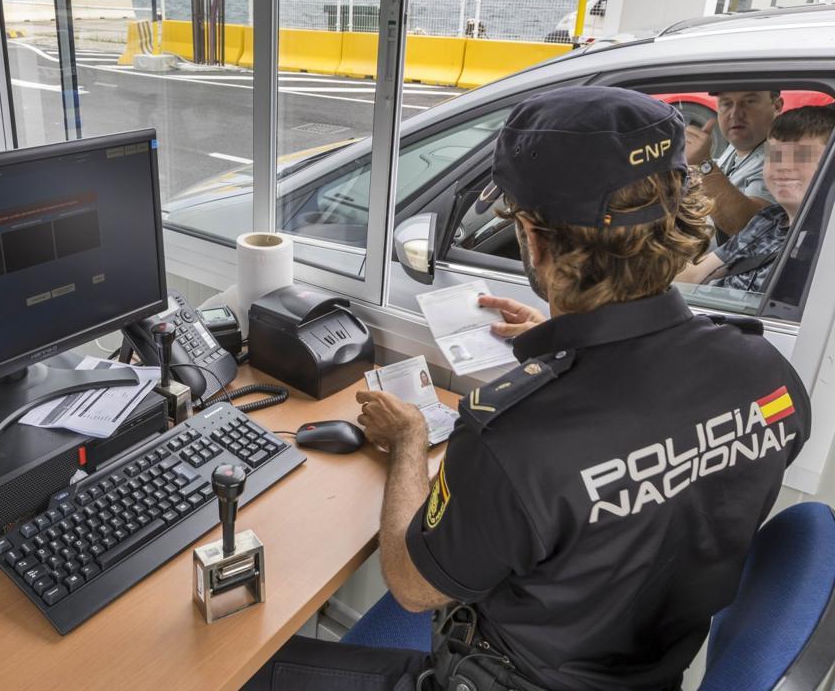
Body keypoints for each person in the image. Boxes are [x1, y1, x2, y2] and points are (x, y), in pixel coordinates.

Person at [243, 86, 810, 691]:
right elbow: (676, 467)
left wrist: (409, 442)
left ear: (534, 242)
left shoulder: (512, 437)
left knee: (230, 672)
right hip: (650, 676)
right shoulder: (764, 372)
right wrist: (573, 340)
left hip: (502, 679)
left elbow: (412, 586)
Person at [678, 105, 834, 292]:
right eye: (775, 156)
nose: (783, 167)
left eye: (800, 157)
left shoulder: (826, 241)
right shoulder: (769, 219)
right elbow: (696, 273)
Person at [685, 90, 782, 239]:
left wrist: (703, 164)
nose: (735, 113)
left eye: (749, 102)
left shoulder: (784, 156)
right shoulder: (742, 144)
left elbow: (753, 229)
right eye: (726, 103)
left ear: (776, 106)